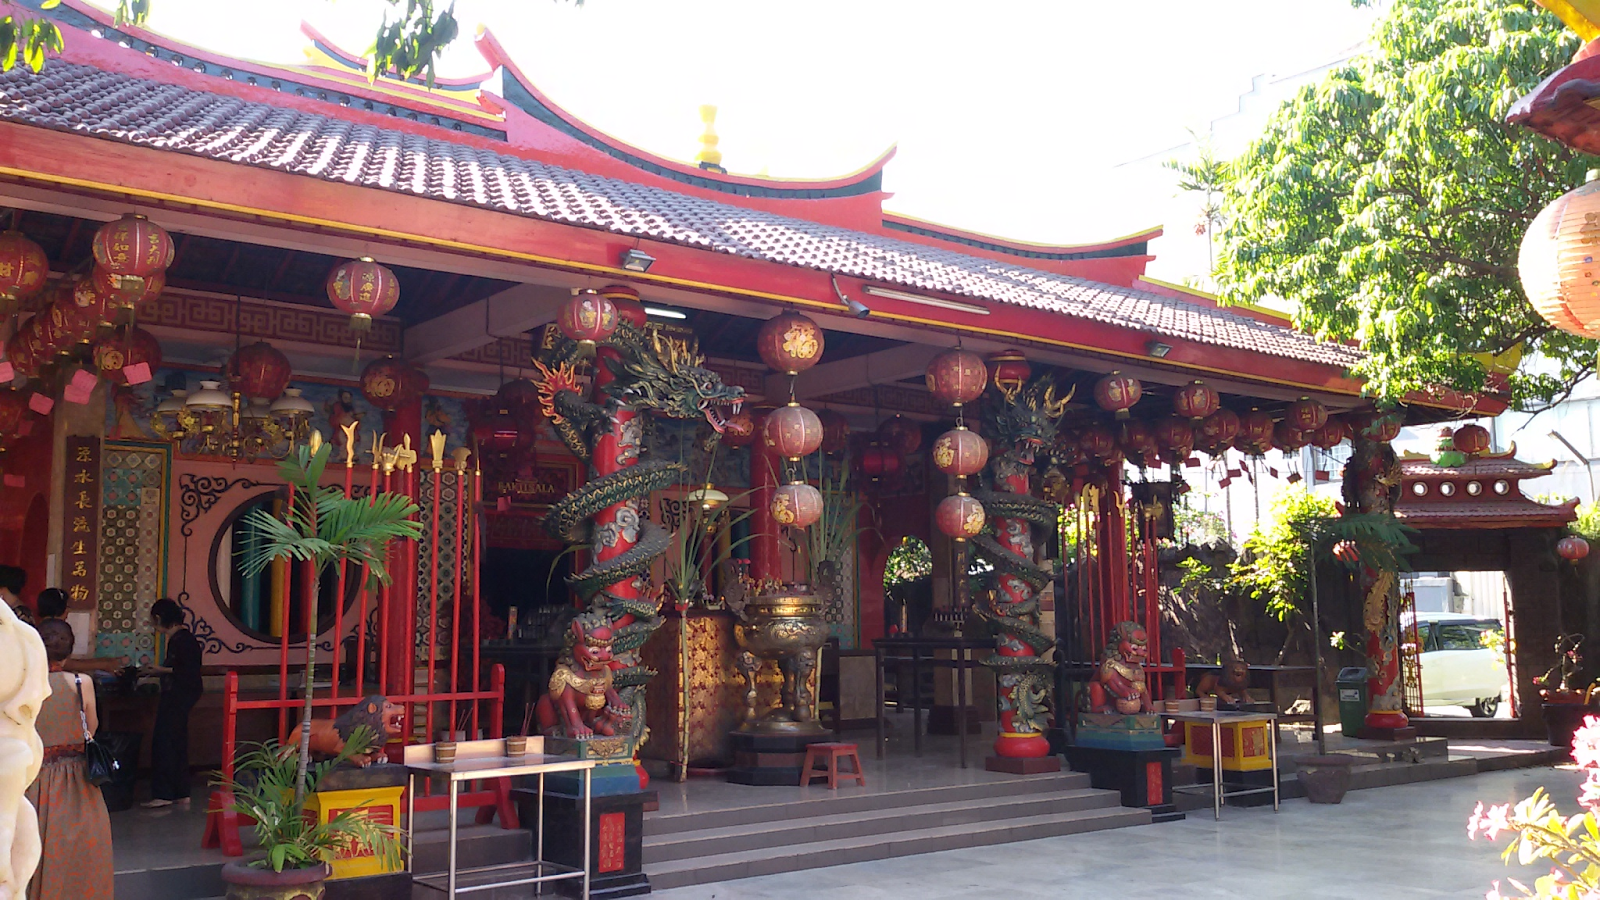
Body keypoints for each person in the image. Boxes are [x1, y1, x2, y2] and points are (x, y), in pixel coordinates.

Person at [26, 619, 114, 900]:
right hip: (78, 781)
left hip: (36, 777)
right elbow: (92, 727)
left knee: (36, 849)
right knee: (83, 853)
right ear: (68, 651)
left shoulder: (25, 686)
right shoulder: (81, 683)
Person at [141, 598, 203, 809]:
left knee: (165, 742)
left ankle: (164, 793)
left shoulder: (182, 640)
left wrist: (159, 670)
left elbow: (187, 670)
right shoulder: (183, 639)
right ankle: (181, 792)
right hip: (182, 696)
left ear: (159, 619)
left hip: (178, 695)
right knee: (177, 742)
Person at [33, 589, 124, 673]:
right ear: (61, 609)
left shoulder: (33, 629)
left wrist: (103, 662)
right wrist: (103, 664)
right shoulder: (58, 631)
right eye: (67, 607)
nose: (68, 611)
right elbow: (64, 664)